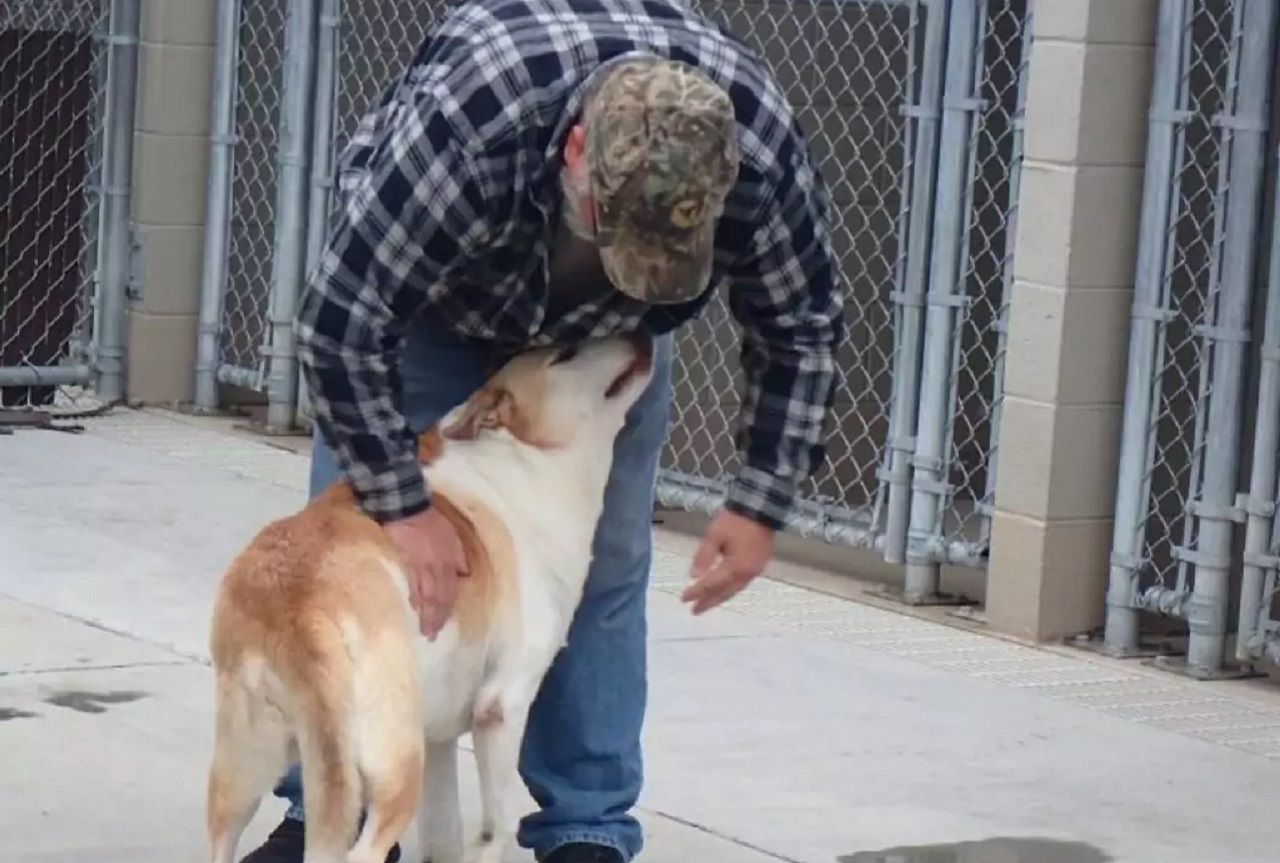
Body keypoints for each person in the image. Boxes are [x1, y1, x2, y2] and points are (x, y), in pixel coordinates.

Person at [241, 0, 844, 860]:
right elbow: (342, 322)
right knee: (356, 555)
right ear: (573, 154)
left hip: (605, 344)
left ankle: (587, 827)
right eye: (616, 235)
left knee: (603, 567)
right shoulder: (472, 124)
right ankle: (325, 814)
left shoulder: (754, 147)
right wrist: (401, 502)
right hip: (440, 304)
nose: (624, 261)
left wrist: (760, 500)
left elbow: (800, 325)